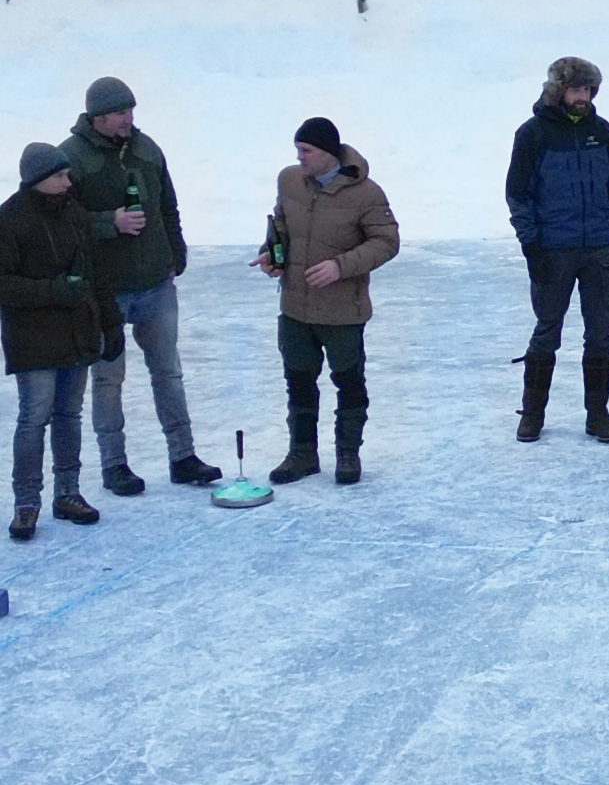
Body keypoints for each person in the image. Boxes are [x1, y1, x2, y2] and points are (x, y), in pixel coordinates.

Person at [59, 77, 219, 496]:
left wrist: (176, 253)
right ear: (97, 117)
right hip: (106, 290)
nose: (128, 118)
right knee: (108, 381)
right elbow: (61, 221)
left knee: (169, 372)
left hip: (155, 283)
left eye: (130, 110)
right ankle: (114, 465)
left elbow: (168, 205)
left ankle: (183, 456)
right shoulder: (71, 157)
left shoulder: (147, 149)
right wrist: (108, 223)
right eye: (120, 112)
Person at [253, 118, 401, 487]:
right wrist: (272, 254)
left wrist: (340, 266)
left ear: (328, 153)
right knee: (299, 382)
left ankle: (348, 453)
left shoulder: (366, 193)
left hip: (342, 311)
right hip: (295, 307)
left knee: (349, 382)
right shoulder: (290, 181)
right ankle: (302, 453)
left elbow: (386, 242)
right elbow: (281, 226)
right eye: (297, 150)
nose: (299, 157)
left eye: (306, 151)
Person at [506, 56, 609, 445]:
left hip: (598, 247)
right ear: (558, 90)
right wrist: (531, 245)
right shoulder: (533, 134)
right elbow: (518, 195)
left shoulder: (602, 131)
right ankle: (532, 414)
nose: (583, 96)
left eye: (588, 89)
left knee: (600, 334)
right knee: (547, 330)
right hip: (553, 249)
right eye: (576, 89)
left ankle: (598, 415)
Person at [0, 144, 121, 540]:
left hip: (77, 332)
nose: (68, 182)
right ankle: (26, 503)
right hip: (33, 339)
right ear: (38, 179)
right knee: (34, 418)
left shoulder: (74, 214)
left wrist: (110, 322)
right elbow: (4, 284)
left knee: (69, 415)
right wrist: (54, 290)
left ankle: (68, 492)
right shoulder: (10, 219)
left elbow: (96, 272)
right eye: (59, 176)